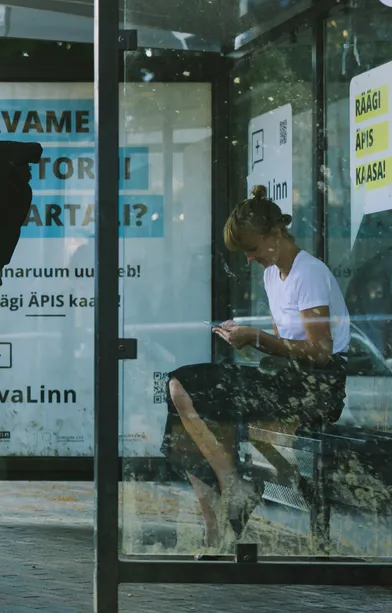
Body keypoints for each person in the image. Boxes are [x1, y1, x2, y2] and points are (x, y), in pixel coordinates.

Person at [164, 185, 350, 547]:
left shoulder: (308, 273)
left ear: (276, 235)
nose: (249, 259)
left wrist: (257, 338)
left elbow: (322, 351)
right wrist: (248, 340)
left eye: (252, 249)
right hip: (288, 378)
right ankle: (229, 492)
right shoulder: (272, 276)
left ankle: (230, 502)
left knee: (189, 390)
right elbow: (287, 347)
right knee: (179, 387)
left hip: (317, 387)